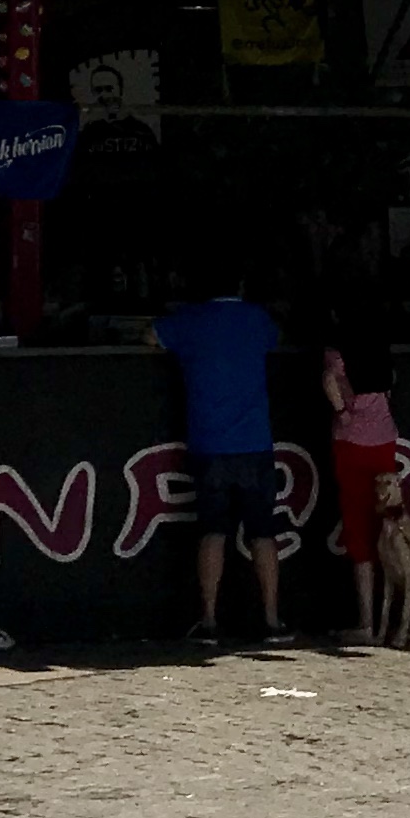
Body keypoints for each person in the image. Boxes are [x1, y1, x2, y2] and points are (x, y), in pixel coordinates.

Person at [149, 267, 286, 643]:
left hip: (209, 444)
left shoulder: (190, 319)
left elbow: (150, 335)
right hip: (254, 443)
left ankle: (209, 619)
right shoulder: (256, 319)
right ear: (240, 285)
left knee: (212, 531)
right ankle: (272, 619)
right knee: (263, 532)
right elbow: (278, 339)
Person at [322, 317, 404, 643]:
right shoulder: (380, 349)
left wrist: (343, 412)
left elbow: (329, 380)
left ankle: (367, 622)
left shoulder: (337, 352)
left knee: (358, 527)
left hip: (351, 443)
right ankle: (394, 619)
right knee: (387, 523)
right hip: (384, 439)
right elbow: (392, 381)